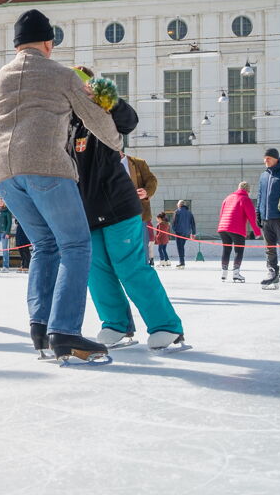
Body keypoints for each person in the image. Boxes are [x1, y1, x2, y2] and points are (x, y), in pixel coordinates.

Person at [0, 9, 122, 362]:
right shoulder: (62, 74)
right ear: (49, 43)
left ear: (17, 45)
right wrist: (118, 143)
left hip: (3, 174)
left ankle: (41, 328)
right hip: (46, 166)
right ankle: (65, 332)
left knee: (45, 244)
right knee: (75, 245)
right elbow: (97, 119)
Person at [68, 66, 185, 352]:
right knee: (96, 271)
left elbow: (129, 120)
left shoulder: (104, 117)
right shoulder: (67, 125)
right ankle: (115, 323)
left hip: (118, 206)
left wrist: (104, 97)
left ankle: (166, 326)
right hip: (86, 212)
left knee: (129, 267)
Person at [256, 149, 280, 289]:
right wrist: (258, 212)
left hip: (279, 217)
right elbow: (260, 195)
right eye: (264, 158)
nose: (265, 160)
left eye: (268, 158)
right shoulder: (264, 175)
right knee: (269, 248)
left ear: (276, 159)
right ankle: (272, 272)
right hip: (266, 218)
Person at [217, 182, 258, 282]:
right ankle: (236, 274)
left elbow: (221, 213)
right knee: (238, 251)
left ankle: (224, 273)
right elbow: (252, 216)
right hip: (236, 228)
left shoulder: (228, 197)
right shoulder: (245, 199)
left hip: (223, 227)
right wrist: (257, 231)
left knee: (226, 249)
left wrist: (222, 226)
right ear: (248, 190)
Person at [124, 153, 157, 264]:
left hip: (139, 216)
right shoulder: (104, 164)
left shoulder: (138, 163)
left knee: (141, 254)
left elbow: (151, 180)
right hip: (115, 218)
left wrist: (146, 191)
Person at [170, 200, 196, 268]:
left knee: (180, 247)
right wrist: (193, 233)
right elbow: (193, 223)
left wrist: (174, 230)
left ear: (179, 205)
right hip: (186, 232)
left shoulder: (177, 211)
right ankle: (182, 262)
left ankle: (182, 262)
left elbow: (174, 222)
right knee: (182, 246)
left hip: (179, 232)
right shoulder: (189, 212)